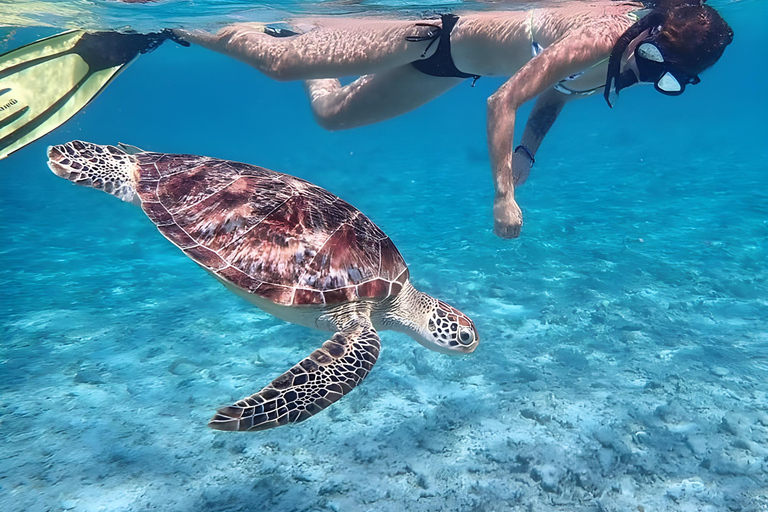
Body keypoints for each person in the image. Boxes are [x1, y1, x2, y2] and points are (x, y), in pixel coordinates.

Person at [174, 0, 733, 238]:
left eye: (673, 81)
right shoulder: (602, 33)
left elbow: (559, 94)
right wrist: (502, 196)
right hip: (428, 37)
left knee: (332, 116)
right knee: (277, 65)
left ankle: (306, 36)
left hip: (445, 70)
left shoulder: (631, 65)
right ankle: (177, 30)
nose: (653, 75)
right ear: (654, 34)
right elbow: (502, 102)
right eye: (658, 62)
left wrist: (529, 151)